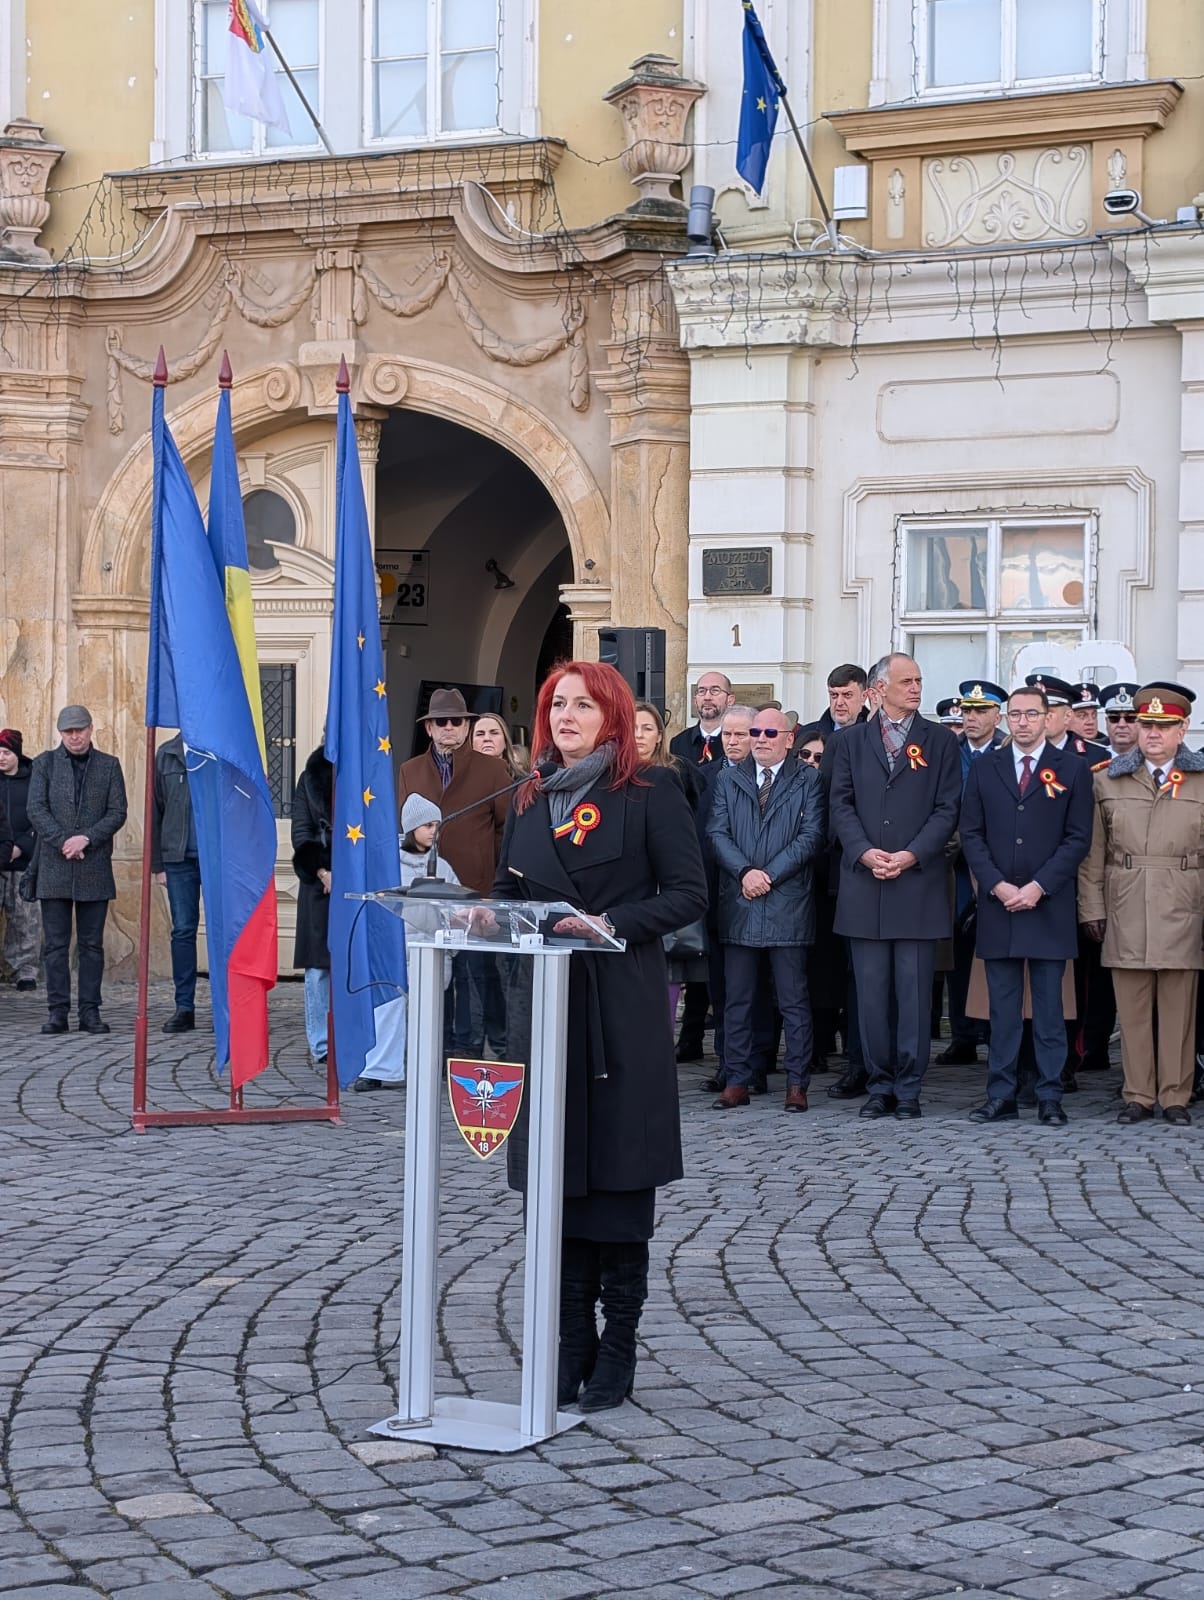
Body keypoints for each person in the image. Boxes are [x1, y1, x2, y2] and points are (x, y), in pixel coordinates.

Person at [493, 661, 706, 1413]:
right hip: (546, 1012)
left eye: (583, 705)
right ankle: (568, 1342)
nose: (566, 717)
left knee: (616, 1185)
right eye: (556, 705)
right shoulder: (526, 799)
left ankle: (617, 1348)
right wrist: (482, 919)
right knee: (560, 1187)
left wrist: (611, 925)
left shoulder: (649, 792)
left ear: (613, 715)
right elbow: (507, 894)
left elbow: (688, 892)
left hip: (618, 1006)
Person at [828, 654, 961, 1118]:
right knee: (870, 994)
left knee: (914, 994)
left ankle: (908, 1087)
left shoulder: (940, 741)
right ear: (878, 689)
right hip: (865, 884)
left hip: (916, 885)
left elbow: (947, 809)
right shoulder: (850, 742)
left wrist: (912, 854)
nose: (916, 688)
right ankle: (879, 1083)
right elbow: (840, 804)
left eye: (920, 680)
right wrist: (863, 851)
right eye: (907, 681)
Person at [961, 686, 1094, 1125]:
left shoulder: (1072, 769)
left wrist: (1039, 886)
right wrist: (996, 886)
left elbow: (1078, 839)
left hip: (1047, 906)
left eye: (1030, 714)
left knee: (1050, 1011)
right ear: (1007, 719)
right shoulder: (985, 769)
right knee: (1002, 1011)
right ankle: (1000, 1094)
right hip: (999, 906)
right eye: (1015, 714)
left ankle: (1050, 1094)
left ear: (1047, 718)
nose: (1022, 722)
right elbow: (972, 835)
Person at [1079, 682, 1204, 1125]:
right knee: (1131, 1007)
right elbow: (1093, 852)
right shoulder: (1106, 779)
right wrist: (1091, 907)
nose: (1152, 733)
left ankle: (1175, 1095)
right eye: (1146, 723)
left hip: (1183, 901)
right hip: (1126, 900)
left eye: (1163, 725)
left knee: (1178, 1008)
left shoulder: (1200, 780)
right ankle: (1137, 1094)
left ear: (1182, 727)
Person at [708, 708, 825, 1112]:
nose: (759, 738)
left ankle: (797, 1083)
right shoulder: (729, 777)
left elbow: (811, 838)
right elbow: (717, 832)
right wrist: (744, 871)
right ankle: (737, 1079)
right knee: (737, 999)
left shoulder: (808, 779)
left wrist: (768, 875)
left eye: (769, 732)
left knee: (793, 999)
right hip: (740, 900)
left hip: (786, 902)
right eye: (755, 731)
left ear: (789, 738)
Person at [399, 687, 513, 1057]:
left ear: (467, 726)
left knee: (478, 976)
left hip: (476, 890)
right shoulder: (409, 770)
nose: (449, 727)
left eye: (456, 721)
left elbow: (506, 829)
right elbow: (404, 829)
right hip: (427, 896)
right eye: (440, 721)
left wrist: (498, 885)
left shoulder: (491, 768)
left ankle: (487, 1046)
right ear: (429, 728)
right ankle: (438, 1047)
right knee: (434, 977)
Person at [27, 705, 128, 1035]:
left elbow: (117, 812)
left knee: (91, 945)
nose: (74, 736)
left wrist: (86, 838)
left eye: (79, 729)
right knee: (55, 946)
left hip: (94, 864)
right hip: (55, 866)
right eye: (68, 731)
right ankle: (58, 1011)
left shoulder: (109, 766)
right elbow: (36, 809)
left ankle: (90, 1011)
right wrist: (64, 841)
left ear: (90, 729)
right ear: (60, 733)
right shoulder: (43, 764)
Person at [938, 680, 1009, 1067]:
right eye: (967, 711)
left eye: (981, 711)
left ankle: (997, 1032)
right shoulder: (950, 751)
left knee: (995, 951)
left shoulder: (1008, 751)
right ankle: (963, 1034)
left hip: (996, 866)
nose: (971, 717)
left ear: (998, 715)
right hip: (955, 868)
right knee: (958, 951)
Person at [633, 701, 708, 1030]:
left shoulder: (677, 773)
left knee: (667, 965)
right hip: (627, 886)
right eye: (633, 728)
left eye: (647, 728)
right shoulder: (607, 771)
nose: (639, 735)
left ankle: (661, 1038)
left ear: (660, 736)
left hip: (663, 882)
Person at [150, 733, 200, 1033]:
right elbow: (155, 810)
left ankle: (228, 1006)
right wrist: (157, 863)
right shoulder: (166, 753)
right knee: (183, 929)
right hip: (177, 858)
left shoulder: (220, 745)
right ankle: (184, 1007)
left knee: (224, 932)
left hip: (217, 857)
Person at [291, 743, 333, 1069]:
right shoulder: (309, 777)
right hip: (319, 884)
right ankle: (321, 1043)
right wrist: (322, 871)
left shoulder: (366, 772)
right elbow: (301, 832)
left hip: (357, 883)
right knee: (319, 967)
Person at [0, 729, 40, 991]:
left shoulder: (34, 779)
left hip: (24, 859)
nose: (1, 758)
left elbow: (40, 816)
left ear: (17, 753)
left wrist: (21, 846)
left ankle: (25, 970)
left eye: (6, 753)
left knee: (25, 919)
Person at [669, 671, 734, 767]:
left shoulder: (737, 741)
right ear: (695, 700)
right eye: (701, 691)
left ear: (730, 700)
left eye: (715, 690)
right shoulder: (678, 743)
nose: (707, 697)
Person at [817, 664, 870, 737]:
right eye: (834, 695)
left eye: (847, 695)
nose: (839, 703)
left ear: (864, 697)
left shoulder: (877, 736)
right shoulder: (807, 734)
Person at [473, 712, 528, 780]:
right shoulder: (460, 779)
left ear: (505, 741)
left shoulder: (524, 782)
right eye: (480, 734)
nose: (487, 738)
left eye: (494, 733)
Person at [1099, 683, 1140, 758]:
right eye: (1114, 718)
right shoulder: (1089, 760)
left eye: (1130, 718)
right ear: (1106, 722)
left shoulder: (1153, 759)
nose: (1121, 725)